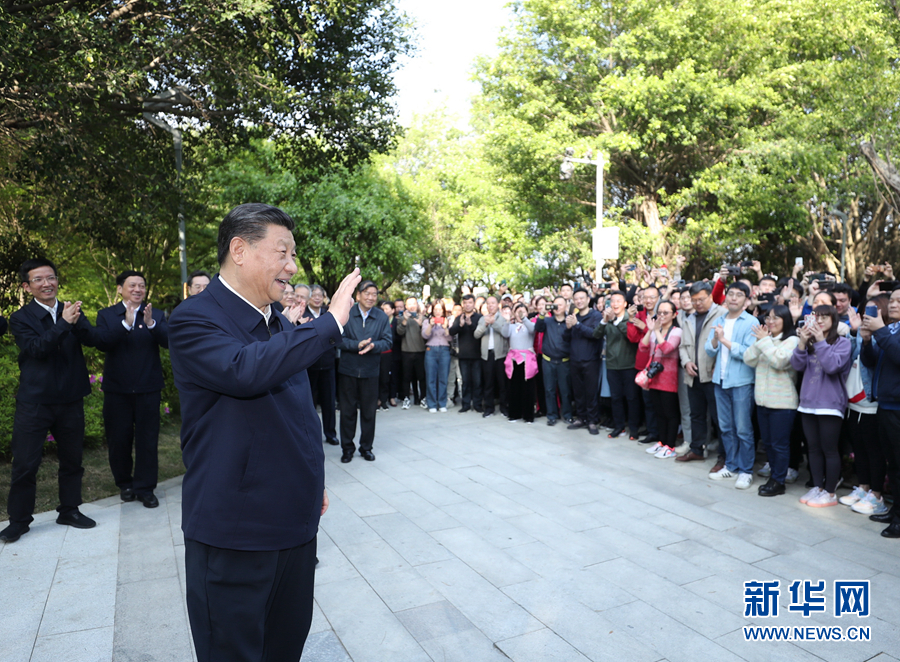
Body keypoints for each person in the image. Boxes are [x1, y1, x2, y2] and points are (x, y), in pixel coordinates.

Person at [168, 203, 360, 662]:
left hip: (293, 523)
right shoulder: (196, 318)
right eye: (282, 253)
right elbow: (245, 371)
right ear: (239, 250)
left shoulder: (275, 320)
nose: (292, 267)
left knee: (284, 647)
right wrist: (330, 323)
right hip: (235, 532)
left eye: (293, 255)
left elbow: (295, 414)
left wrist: (312, 480)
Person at [1, 258, 108, 543]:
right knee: (25, 464)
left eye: (51, 277)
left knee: (72, 460)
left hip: (71, 399)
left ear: (57, 280)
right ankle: (19, 521)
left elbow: (93, 340)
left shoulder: (70, 310)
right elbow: (37, 349)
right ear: (27, 286)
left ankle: (69, 510)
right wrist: (64, 323)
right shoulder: (20, 318)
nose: (47, 283)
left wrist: (77, 321)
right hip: (35, 402)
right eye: (38, 279)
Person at [94, 270, 169, 508]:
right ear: (120, 289)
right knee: (119, 440)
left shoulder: (155, 314)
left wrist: (151, 324)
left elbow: (169, 341)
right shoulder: (106, 315)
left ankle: (145, 488)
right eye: (132, 285)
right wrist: (126, 324)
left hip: (148, 388)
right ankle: (125, 484)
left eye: (141, 286)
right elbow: (103, 342)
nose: (138, 289)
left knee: (148, 440)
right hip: (117, 390)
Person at [791, 305, 852, 508]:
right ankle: (817, 487)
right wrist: (802, 343)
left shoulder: (843, 343)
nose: (820, 321)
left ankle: (830, 492)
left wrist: (819, 341)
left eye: (825, 317)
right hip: (808, 403)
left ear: (834, 320)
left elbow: (831, 366)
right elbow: (797, 366)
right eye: (817, 317)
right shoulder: (810, 343)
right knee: (813, 448)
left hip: (830, 404)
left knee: (829, 450)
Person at [705, 282, 758, 489]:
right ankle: (731, 465)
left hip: (741, 382)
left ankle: (746, 471)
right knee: (726, 427)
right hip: (720, 381)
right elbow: (709, 349)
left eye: (739, 295)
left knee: (743, 428)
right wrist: (716, 341)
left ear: (746, 301)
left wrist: (724, 340)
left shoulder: (751, 322)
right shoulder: (719, 320)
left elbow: (748, 353)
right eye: (731, 294)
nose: (734, 298)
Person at [742, 305, 799, 497]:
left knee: (779, 445)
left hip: (783, 403)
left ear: (786, 320)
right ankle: (774, 477)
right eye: (768, 318)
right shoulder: (765, 340)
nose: (770, 322)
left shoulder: (792, 340)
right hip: (762, 401)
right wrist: (761, 342)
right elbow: (748, 359)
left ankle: (779, 481)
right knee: (767, 443)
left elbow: (779, 361)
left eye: (775, 318)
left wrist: (764, 341)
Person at [338, 281, 393, 462]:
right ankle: (347, 449)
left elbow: (387, 342)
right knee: (347, 412)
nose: (371, 297)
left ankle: (366, 448)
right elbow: (338, 339)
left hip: (371, 371)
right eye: (367, 293)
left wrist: (373, 346)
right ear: (358, 295)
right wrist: (357, 345)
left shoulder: (381, 317)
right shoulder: (346, 313)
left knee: (369, 413)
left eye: (374, 294)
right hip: (348, 370)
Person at [861, 287, 900, 537]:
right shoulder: (892, 329)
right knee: (893, 465)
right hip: (885, 405)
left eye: (899, 301)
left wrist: (880, 331)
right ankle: (896, 511)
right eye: (892, 300)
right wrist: (867, 341)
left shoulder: (888, 330)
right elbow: (872, 362)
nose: (893, 304)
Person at [640, 301, 683, 458]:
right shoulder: (655, 331)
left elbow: (667, 349)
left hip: (669, 378)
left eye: (666, 313)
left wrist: (657, 331)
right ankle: (662, 442)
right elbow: (642, 347)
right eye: (660, 313)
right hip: (654, 377)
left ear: (674, 314)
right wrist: (650, 330)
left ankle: (670, 446)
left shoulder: (677, 332)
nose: (662, 316)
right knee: (658, 412)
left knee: (670, 413)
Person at [595, 291, 640, 439]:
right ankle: (619, 427)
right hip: (612, 365)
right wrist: (604, 321)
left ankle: (633, 428)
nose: (615, 304)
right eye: (612, 301)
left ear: (625, 304)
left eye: (618, 301)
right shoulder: (608, 320)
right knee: (615, 398)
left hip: (629, 365)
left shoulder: (630, 318)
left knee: (632, 398)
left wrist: (615, 321)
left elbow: (631, 336)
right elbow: (596, 335)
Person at [565, 288, 602, 435]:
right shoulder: (574, 316)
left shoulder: (596, 315)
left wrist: (577, 325)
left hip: (591, 360)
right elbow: (566, 338)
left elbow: (594, 334)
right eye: (576, 299)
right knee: (578, 391)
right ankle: (581, 418)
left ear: (588, 299)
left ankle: (592, 420)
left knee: (591, 392)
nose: (579, 301)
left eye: (582, 298)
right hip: (575, 359)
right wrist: (568, 328)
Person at [305, 284, 338, 445]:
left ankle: (330, 433)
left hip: (328, 364)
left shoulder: (328, 315)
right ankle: (310, 436)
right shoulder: (302, 315)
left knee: (329, 401)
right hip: (309, 366)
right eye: (314, 295)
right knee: (309, 402)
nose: (317, 298)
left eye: (320, 295)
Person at [535, 296, 572, 426]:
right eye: (555, 305)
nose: (558, 307)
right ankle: (551, 415)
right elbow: (538, 328)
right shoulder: (547, 321)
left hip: (564, 361)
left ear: (566, 306)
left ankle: (567, 415)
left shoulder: (569, 321)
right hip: (548, 361)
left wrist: (570, 327)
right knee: (549, 390)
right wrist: (542, 313)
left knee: (565, 391)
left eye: (560, 305)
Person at [474, 295, 510, 417]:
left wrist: (493, 323)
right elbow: (476, 335)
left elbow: (505, 333)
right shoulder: (482, 319)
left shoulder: (503, 318)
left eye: (493, 303)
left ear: (498, 305)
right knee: (488, 383)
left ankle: (504, 408)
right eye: (488, 303)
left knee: (502, 383)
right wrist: (485, 324)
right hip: (487, 355)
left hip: (500, 354)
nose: (490, 305)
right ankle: (489, 408)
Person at [450, 294, 484, 413]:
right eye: (465, 303)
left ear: (474, 304)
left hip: (477, 355)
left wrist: (470, 324)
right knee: (465, 381)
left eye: (470, 302)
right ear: (462, 304)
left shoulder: (479, 317)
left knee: (477, 381)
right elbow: (451, 332)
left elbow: (480, 333)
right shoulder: (459, 317)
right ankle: (465, 404)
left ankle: (477, 404)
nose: (467, 305)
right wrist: (460, 325)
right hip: (463, 355)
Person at [504, 302, 537, 423]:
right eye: (518, 311)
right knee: (514, 387)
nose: (520, 313)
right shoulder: (512, 326)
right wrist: (507, 321)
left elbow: (533, 329)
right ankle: (514, 414)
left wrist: (524, 319)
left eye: (523, 311)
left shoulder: (530, 324)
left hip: (527, 360)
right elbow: (505, 333)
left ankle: (528, 415)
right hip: (514, 359)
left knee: (528, 388)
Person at [422, 300, 453, 412]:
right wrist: (431, 325)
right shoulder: (427, 321)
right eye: (435, 309)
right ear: (432, 310)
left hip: (444, 350)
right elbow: (425, 335)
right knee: (431, 378)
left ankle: (442, 403)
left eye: (440, 309)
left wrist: (445, 328)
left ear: (443, 310)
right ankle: (432, 404)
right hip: (431, 349)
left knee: (443, 378)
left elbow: (450, 338)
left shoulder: (448, 321)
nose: (438, 312)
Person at [397, 297, 427, 409]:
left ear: (417, 305)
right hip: (406, 351)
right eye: (409, 304)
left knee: (422, 377)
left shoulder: (423, 318)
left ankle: (423, 398)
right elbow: (399, 332)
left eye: (414, 303)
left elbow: (427, 335)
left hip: (420, 351)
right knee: (406, 377)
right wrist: (405, 320)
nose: (412, 306)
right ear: (406, 306)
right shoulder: (402, 318)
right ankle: (406, 398)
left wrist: (421, 324)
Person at [377, 300, 395, 411]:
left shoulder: (387, 323)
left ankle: (383, 400)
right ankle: (375, 399)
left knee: (385, 378)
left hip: (387, 353)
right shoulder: (374, 323)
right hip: (375, 353)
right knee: (375, 378)